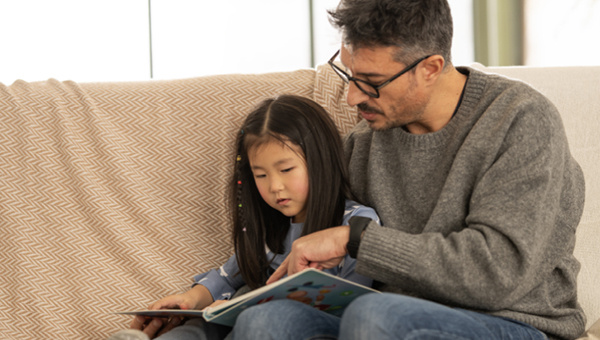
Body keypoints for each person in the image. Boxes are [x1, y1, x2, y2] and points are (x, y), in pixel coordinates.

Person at [228, 1, 586, 340]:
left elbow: (498, 273)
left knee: (375, 315)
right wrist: (216, 298)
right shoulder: (363, 143)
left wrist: (355, 239)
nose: (353, 97)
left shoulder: (520, 121)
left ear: (429, 69)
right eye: (348, 73)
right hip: (378, 315)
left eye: (371, 81)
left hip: (509, 322)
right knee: (266, 321)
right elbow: (302, 249)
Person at [108, 94, 380, 340]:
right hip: (247, 321)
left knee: (255, 320)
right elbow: (226, 278)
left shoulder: (355, 225)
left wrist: (243, 307)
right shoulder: (269, 229)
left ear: (321, 161)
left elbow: (352, 302)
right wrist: (189, 300)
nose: (274, 186)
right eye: (261, 175)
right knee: (197, 327)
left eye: (286, 169)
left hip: (312, 329)